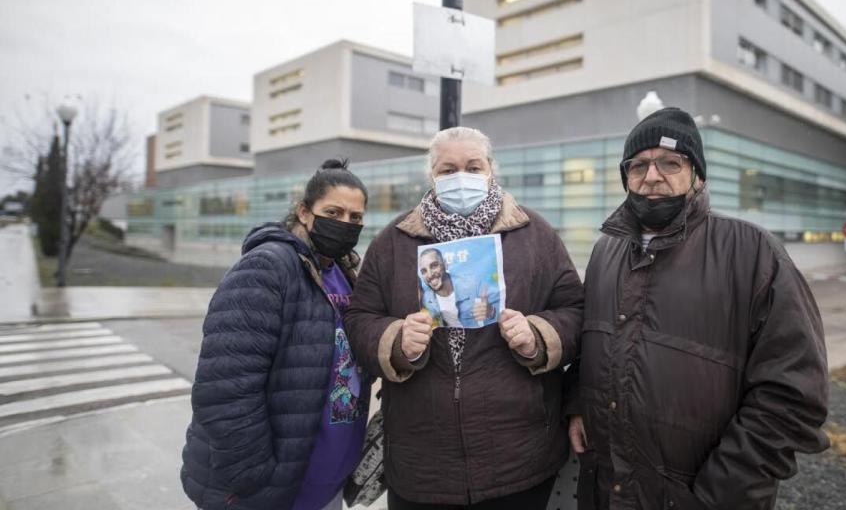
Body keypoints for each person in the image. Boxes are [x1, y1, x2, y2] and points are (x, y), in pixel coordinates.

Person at [565, 108, 829, 509]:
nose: (652, 176)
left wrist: (721, 493)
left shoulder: (752, 252)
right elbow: (590, 345)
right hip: (609, 490)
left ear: (698, 175)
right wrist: (578, 404)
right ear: (626, 178)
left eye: (670, 162)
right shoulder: (606, 251)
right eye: (638, 165)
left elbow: (793, 395)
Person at [345, 126, 584, 509]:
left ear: (492, 170)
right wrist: (395, 340)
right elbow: (359, 318)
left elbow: (574, 309)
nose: (461, 177)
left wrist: (537, 335)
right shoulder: (393, 242)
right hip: (422, 461)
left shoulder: (534, 234)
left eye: (473, 167)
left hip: (518, 459)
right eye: (447, 169)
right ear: (431, 176)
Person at [181, 159, 371, 510]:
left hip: (326, 483)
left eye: (355, 217)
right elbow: (225, 389)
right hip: (275, 491)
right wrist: (256, 479)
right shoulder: (268, 267)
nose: (345, 224)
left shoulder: (346, 275)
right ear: (303, 212)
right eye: (334, 211)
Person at [417, 247, 497, 328]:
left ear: (445, 264)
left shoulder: (473, 285)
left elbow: (500, 312)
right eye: (424, 271)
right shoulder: (426, 298)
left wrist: (491, 311)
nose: (430, 275)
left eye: (434, 266)